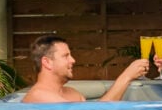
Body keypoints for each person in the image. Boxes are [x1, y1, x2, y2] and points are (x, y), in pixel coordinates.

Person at [21, 34, 150, 103]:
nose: (73, 60)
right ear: (47, 62)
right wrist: (126, 76)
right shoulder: (39, 97)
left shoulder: (72, 93)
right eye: (66, 56)